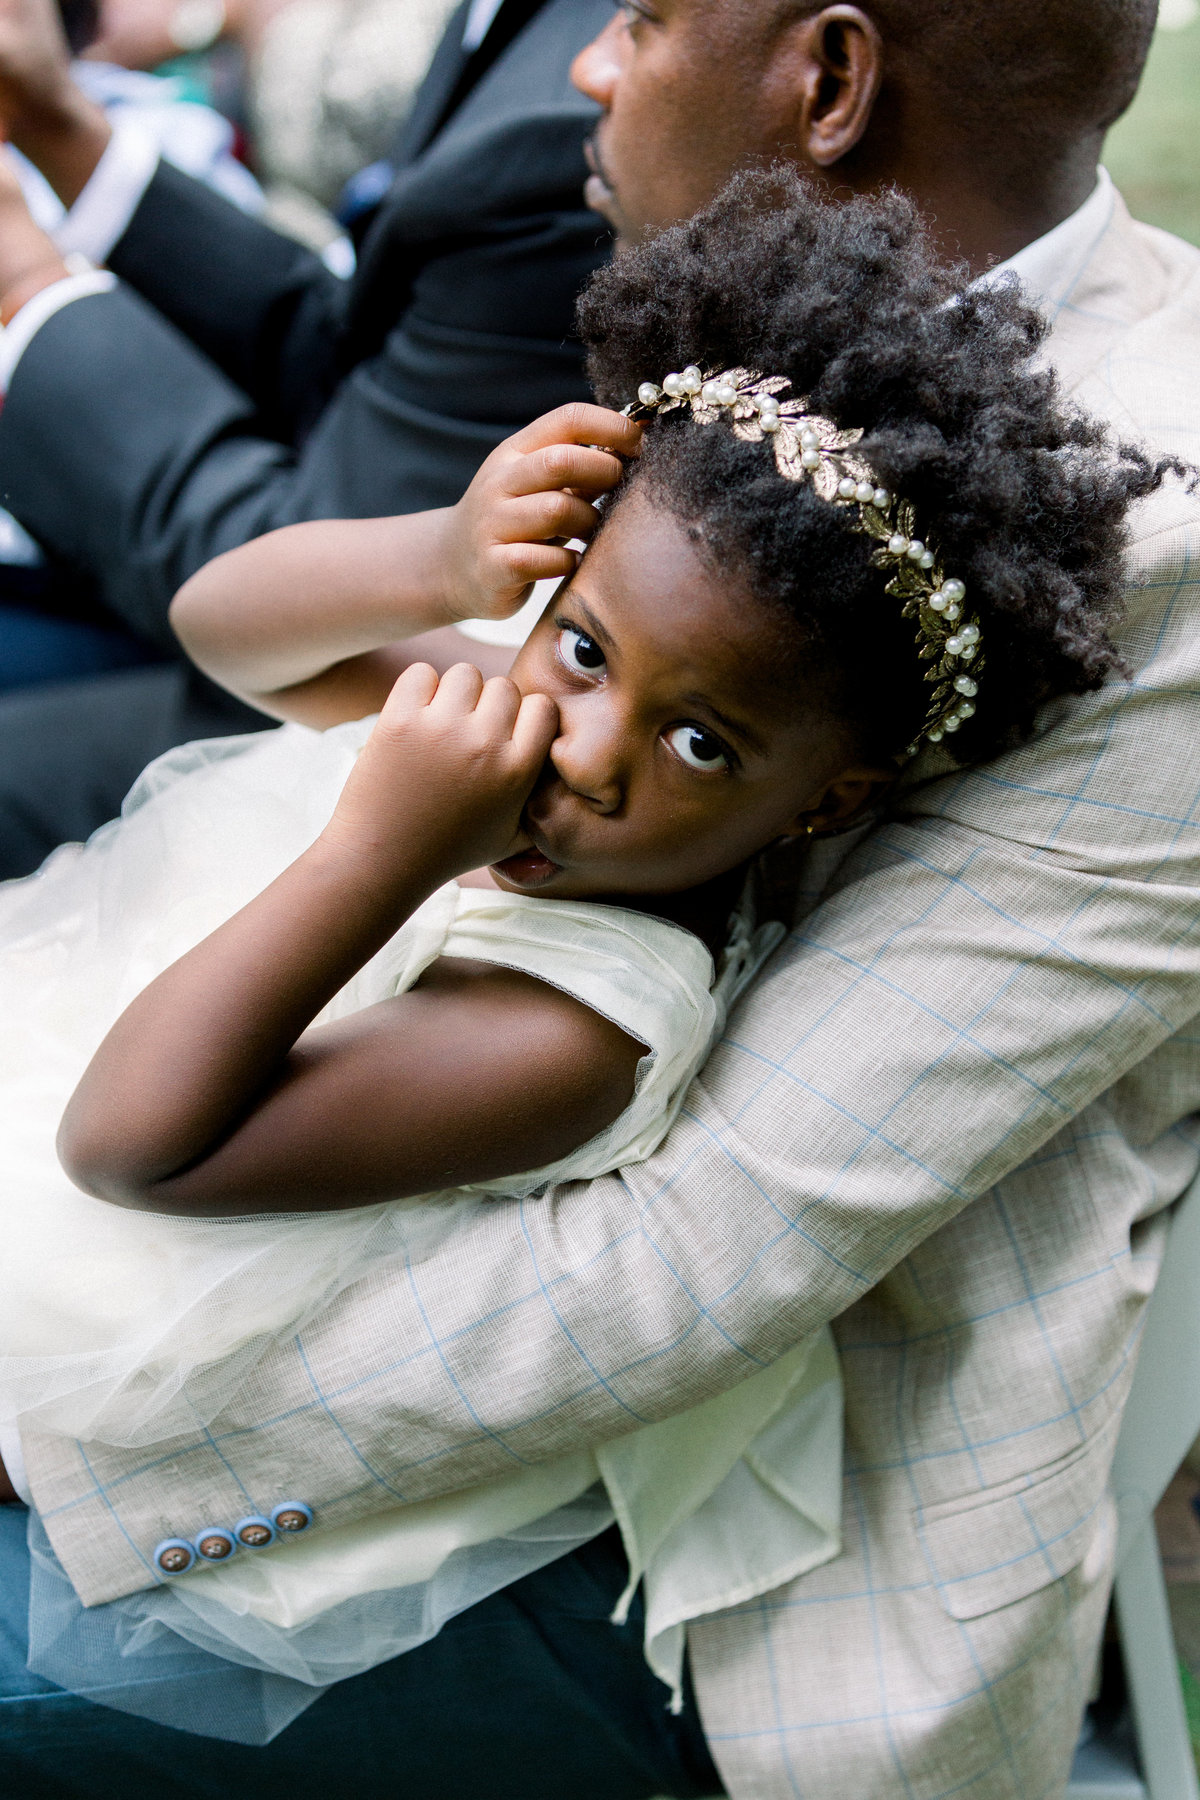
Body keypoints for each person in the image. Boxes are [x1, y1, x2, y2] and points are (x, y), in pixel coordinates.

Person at [3, 1, 1200, 1796]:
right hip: (226, 1163)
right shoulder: (743, 371)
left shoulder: (1150, 539)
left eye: (639, 15)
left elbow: (687, 1264)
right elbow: (263, 629)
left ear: (834, 78)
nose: (586, 64)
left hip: (655, 1537)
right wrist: (435, 563)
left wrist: (57, 1429)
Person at [0, 0, 613, 875]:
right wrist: (59, 127)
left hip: (323, 698)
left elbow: (285, 580)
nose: (612, 62)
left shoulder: (580, 114)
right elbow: (354, 347)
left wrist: (24, 278)